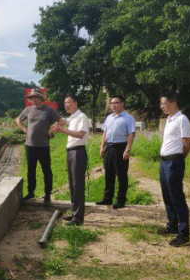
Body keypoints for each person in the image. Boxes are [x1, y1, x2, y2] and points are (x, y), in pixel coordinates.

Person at [16, 89, 64, 204]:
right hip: (29, 146)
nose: (34, 99)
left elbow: (61, 121)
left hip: (43, 146)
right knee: (30, 170)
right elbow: (18, 119)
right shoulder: (28, 110)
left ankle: (47, 195)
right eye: (32, 98)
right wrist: (23, 129)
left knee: (46, 170)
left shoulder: (49, 110)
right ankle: (31, 192)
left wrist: (52, 130)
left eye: (36, 97)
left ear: (41, 98)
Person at [157, 91, 190, 247]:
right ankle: (172, 226)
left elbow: (187, 143)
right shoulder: (169, 119)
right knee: (167, 196)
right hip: (164, 162)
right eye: (161, 103)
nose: (162, 106)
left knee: (177, 197)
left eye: (164, 103)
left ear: (174, 103)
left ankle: (183, 233)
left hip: (174, 161)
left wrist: (180, 158)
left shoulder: (182, 119)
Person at [52, 95, 89, 226]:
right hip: (71, 152)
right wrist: (60, 129)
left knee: (77, 184)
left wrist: (63, 130)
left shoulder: (81, 117)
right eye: (64, 103)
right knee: (72, 184)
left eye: (68, 102)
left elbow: (80, 135)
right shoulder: (72, 118)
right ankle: (74, 213)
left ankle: (78, 218)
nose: (65, 105)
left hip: (78, 151)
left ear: (75, 103)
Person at [96, 95, 135, 209]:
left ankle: (121, 200)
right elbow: (105, 133)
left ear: (122, 103)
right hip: (109, 147)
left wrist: (127, 150)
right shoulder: (109, 117)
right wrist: (102, 147)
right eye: (111, 103)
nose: (113, 105)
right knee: (108, 174)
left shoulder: (128, 118)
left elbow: (131, 134)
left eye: (116, 103)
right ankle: (107, 198)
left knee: (121, 175)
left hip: (120, 148)